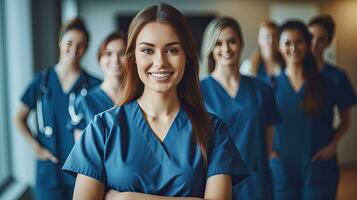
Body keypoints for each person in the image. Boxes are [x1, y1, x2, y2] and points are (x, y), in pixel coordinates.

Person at [62, 4, 248, 200]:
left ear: (187, 57)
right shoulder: (102, 129)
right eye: (147, 51)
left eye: (172, 50)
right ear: (133, 58)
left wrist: (125, 198)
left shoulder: (213, 130)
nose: (160, 62)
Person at [14, 18, 101, 200]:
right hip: (49, 170)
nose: (74, 49)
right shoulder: (41, 81)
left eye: (81, 45)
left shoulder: (94, 86)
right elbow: (18, 117)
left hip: (83, 172)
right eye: (69, 43)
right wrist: (36, 148)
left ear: (86, 48)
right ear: (60, 43)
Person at [271, 20, 356, 200]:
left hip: (318, 166)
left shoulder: (328, 82)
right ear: (279, 46)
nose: (293, 47)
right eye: (287, 42)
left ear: (307, 44)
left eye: (299, 41)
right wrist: (271, 152)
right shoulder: (269, 85)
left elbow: (346, 119)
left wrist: (333, 145)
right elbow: (261, 124)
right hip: (283, 168)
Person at [200, 17, 279, 200]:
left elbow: (268, 146)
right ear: (211, 47)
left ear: (242, 44)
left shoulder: (262, 89)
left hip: (257, 182)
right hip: (214, 182)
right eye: (219, 43)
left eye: (232, 41)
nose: (226, 48)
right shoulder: (197, 91)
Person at [71, 31, 126, 140]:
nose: (115, 60)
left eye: (122, 53)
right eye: (108, 54)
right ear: (99, 58)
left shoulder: (139, 98)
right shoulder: (85, 101)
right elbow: (80, 149)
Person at [240, 21, 283, 87]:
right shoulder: (248, 66)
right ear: (259, 39)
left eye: (274, 36)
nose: (271, 41)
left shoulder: (285, 64)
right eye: (266, 37)